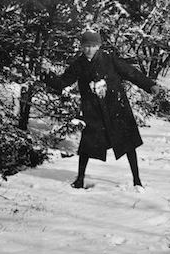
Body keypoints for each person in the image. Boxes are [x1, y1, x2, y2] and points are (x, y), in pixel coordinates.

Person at [43, 31, 161, 189]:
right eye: (86, 46)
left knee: (128, 144)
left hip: (116, 109)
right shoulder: (78, 65)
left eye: (92, 46)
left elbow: (131, 73)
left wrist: (149, 85)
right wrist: (47, 76)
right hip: (94, 113)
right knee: (86, 146)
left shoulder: (109, 60)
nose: (89, 50)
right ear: (81, 47)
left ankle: (137, 180)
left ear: (98, 46)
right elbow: (62, 82)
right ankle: (80, 179)